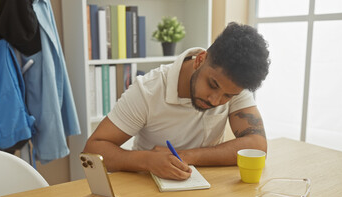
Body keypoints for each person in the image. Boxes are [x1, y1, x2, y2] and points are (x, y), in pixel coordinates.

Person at [84, 22, 270, 180]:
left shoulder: (232, 85)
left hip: (204, 188)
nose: (215, 100)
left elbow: (257, 144)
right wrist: (147, 160)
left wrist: (188, 156)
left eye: (228, 96)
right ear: (200, 60)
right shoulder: (148, 90)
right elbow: (93, 149)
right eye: (212, 85)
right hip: (148, 189)